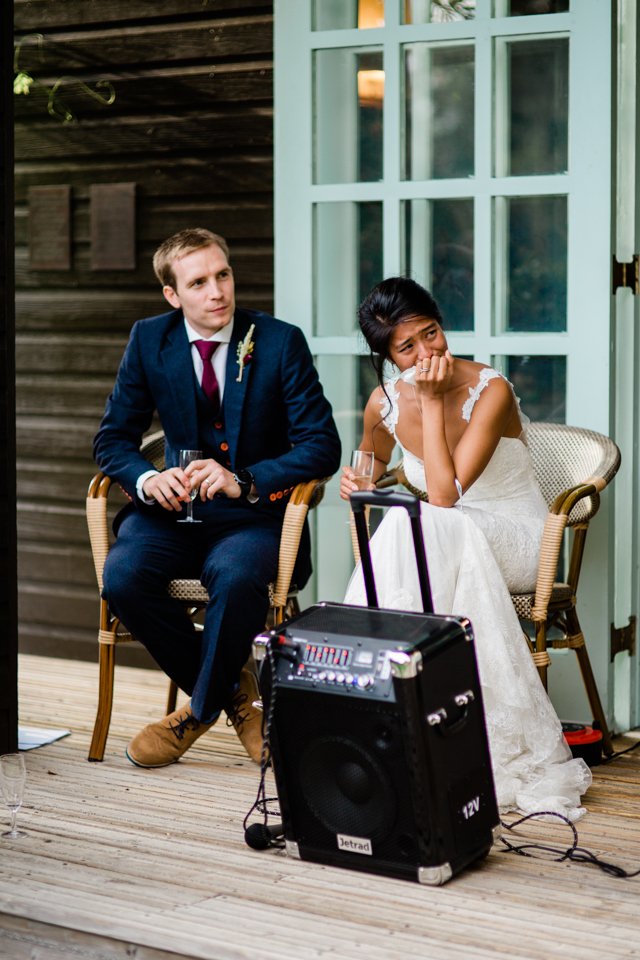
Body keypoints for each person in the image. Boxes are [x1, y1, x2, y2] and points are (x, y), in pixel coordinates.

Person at [340, 276, 591, 821]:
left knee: (425, 524)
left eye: (431, 333)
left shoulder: (490, 389)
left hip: (517, 534)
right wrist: (358, 481)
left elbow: (446, 496)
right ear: (387, 357)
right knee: (413, 528)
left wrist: (429, 403)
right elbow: (370, 461)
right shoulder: (382, 404)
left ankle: (418, 721)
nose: (428, 351)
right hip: (450, 535)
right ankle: (400, 722)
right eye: (407, 347)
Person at [95, 228, 341, 768]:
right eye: (199, 282)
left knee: (235, 574)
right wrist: (144, 479)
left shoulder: (278, 341)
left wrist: (245, 478)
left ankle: (196, 712)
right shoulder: (148, 340)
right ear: (172, 294)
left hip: (250, 518)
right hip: (169, 516)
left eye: (222, 274)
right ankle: (238, 696)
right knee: (123, 578)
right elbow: (112, 439)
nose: (217, 292)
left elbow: (323, 446)